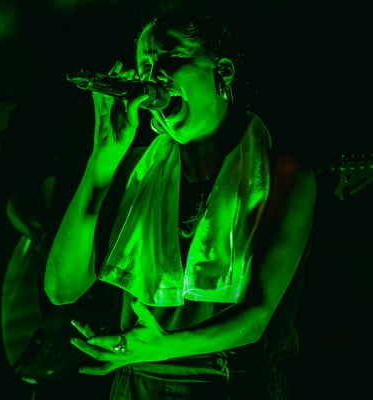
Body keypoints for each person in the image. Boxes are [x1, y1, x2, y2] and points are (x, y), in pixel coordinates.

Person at [44, 11, 317, 400]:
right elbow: (61, 288)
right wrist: (102, 160)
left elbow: (257, 316)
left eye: (169, 59)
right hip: (137, 380)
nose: (153, 78)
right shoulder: (137, 170)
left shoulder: (285, 175)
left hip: (235, 385)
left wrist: (161, 347)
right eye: (144, 68)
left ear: (222, 72)